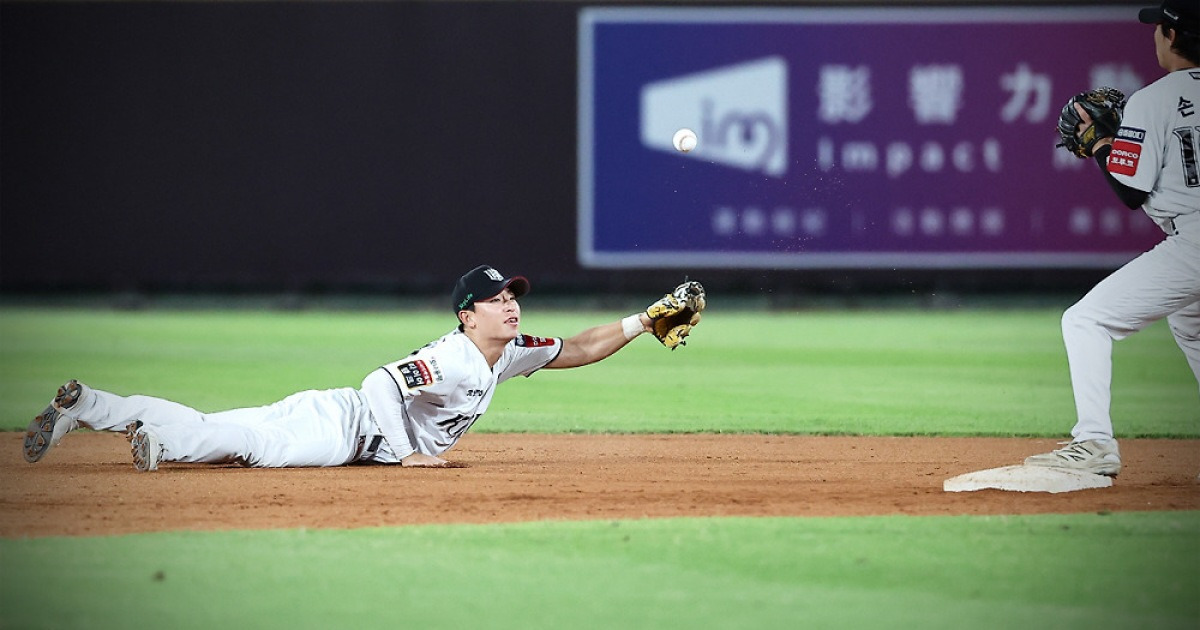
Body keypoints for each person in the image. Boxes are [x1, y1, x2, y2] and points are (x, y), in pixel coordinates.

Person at [22, 265, 702, 471]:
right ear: (468, 315)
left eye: (512, 298)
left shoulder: (508, 354)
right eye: (495, 300)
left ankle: (89, 406)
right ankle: (158, 443)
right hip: (346, 428)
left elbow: (579, 347)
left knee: (227, 426)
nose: (509, 307)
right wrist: (407, 455)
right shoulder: (452, 356)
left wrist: (644, 322)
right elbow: (383, 382)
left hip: (336, 415)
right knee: (246, 443)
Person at [1024, 0, 1200, 477]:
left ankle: (1094, 444)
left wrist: (1103, 144)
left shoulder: (1153, 100)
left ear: (1170, 34)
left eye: (1158, 28)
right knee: (1191, 326)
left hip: (1194, 244)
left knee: (1085, 321)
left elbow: (1130, 191)